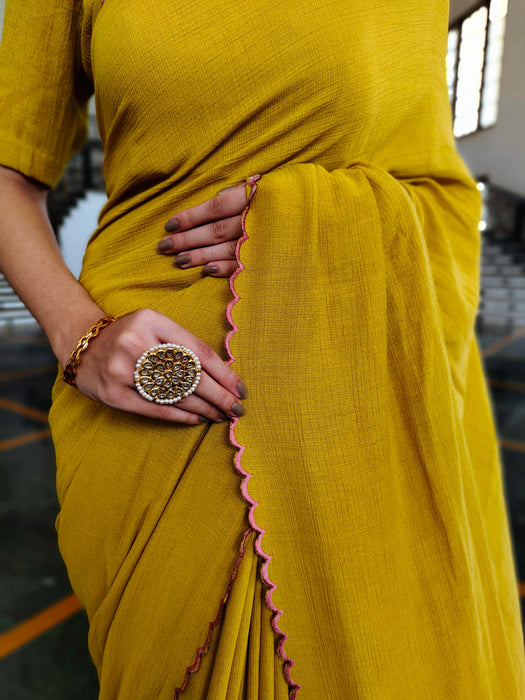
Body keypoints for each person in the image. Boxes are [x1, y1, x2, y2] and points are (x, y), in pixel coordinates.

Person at [0, 0, 524, 697]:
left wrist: (314, 223)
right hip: (151, 416)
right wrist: (79, 336)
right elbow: (7, 173)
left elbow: (439, 197)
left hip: (350, 413)